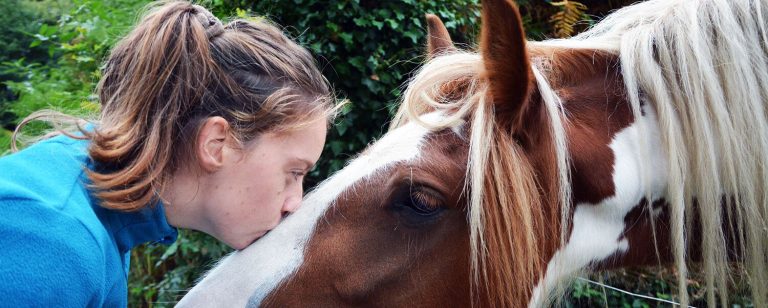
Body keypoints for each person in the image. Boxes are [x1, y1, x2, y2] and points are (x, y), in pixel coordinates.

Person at [0, 1, 336, 306]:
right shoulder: (50, 237)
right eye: (294, 173)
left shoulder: (99, 207)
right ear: (216, 143)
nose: (295, 203)